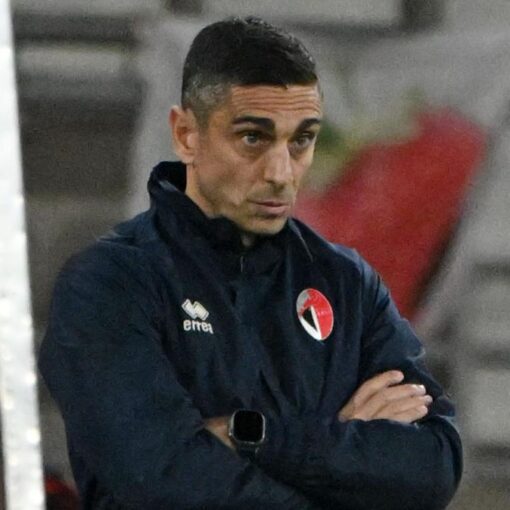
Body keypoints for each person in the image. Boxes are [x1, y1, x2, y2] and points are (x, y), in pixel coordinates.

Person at [38, 16, 462, 510]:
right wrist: (341, 441)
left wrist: (253, 434)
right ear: (186, 134)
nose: (281, 172)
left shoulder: (347, 284)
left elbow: (432, 466)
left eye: (301, 140)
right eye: (253, 138)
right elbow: (167, 482)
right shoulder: (109, 284)